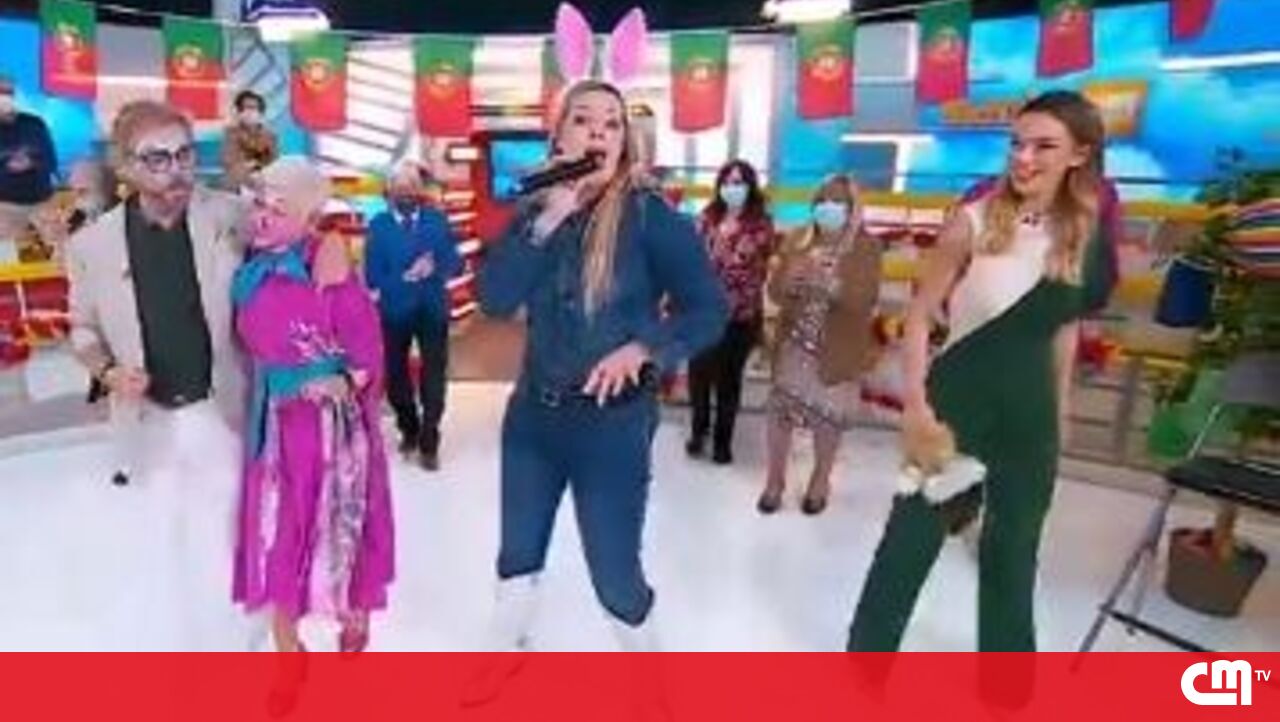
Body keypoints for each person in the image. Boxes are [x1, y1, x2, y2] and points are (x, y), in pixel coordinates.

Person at [470, 79, 726, 694]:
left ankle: (650, 681)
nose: (598, 133)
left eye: (612, 124)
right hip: (533, 418)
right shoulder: (536, 210)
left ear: (624, 141)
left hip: (612, 426)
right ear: (559, 136)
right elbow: (495, 298)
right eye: (583, 120)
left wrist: (645, 348)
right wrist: (551, 217)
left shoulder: (649, 216)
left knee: (614, 573)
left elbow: (707, 309)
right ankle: (504, 653)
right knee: (517, 556)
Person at [846, 91, 1117, 659]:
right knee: (910, 540)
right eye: (1017, 144)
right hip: (957, 403)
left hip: (1030, 414)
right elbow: (920, 315)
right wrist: (916, 404)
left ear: (1080, 154)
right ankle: (865, 666)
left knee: (1013, 550)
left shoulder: (1085, 234)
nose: (1024, 158)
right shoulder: (970, 222)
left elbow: (1062, 329)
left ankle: (1007, 683)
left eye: (1043, 146)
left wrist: (1059, 410)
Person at [64, 100, 251, 648]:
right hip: (149, 421)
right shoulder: (91, 245)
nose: (177, 170)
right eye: (157, 158)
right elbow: (81, 331)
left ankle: (243, 651)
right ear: (125, 166)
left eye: (185, 154)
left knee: (235, 538)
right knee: (167, 546)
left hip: (223, 406)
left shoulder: (232, 216)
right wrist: (109, 371)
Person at [231, 156, 394, 657]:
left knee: (342, 527)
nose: (262, 217)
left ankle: (353, 622)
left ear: (308, 218)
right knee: (278, 535)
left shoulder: (331, 275)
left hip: (332, 435)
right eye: (259, 204)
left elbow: (368, 354)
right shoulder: (250, 270)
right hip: (274, 429)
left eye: (278, 209)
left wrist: (340, 381)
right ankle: (288, 651)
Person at [759, 175, 882, 515]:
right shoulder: (797, 239)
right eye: (822, 201)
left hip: (837, 351)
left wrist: (830, 285)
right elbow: (774, 292)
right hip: (793, 346)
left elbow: (865, 299)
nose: (828, 208)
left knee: (827, 421)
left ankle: (820, 481)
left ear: (852, 209)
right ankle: (774, 482)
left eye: (837, 202)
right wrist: (789, 280)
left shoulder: (867, 247)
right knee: (779, 415)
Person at [363, 163, 462, 470]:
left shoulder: (437, 220)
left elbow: (456, 262)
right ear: (389, 190)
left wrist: (437, 267)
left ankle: (430, 439)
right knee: (396, 376)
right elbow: (372, 276)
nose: (405, 190)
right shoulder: (378, 226)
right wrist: (404, 277)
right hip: (394, 310)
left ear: (420, 189)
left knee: (434, 373)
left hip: (432, 307)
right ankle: (409, 428)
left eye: (411, 184)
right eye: (399, 184)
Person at [685, 159, 775, 465]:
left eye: (738, 183)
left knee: (728, 381)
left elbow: (746, 269)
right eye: (726, 182)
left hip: (739, 317)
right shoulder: (706, 218)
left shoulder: (761, 224)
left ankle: (722, 442)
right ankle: (698, 432)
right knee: (699, 377)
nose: (731, 188)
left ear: (750, 187)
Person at [0, 74, 58, 241]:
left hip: (42, 205)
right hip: (5, 209)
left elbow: (51, 162)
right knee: (10, 253)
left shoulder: (35, 124)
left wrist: (32, 163)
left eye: (9, 93)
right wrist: (8, 167)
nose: (5, 98)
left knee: (51, 249)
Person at [221, 89, 278, 191]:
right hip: (239, 184)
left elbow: (274, 162)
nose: (248, 112)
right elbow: (229, 162)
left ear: (260, 112)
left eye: (252, 108)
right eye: (244, 108)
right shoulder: (231, 133)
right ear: (238, 111)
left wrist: (256, 166)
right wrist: (251, 173)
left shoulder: (270, 135)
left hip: (265, 183)